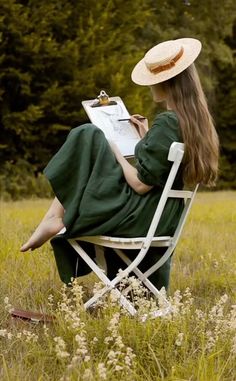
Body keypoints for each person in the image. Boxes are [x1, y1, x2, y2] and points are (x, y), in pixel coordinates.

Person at [20, 38, 219, 290]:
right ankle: (54, 217)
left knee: (88, 134)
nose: (150, 87)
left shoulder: (168, 122)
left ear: (167, 83)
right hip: (163, 217)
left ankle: (54, 217)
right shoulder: (194, 123)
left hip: (141, 219)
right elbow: (161, 172)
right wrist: (146, 136)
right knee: (91, 137)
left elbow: (139, 184)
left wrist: (113, 148)